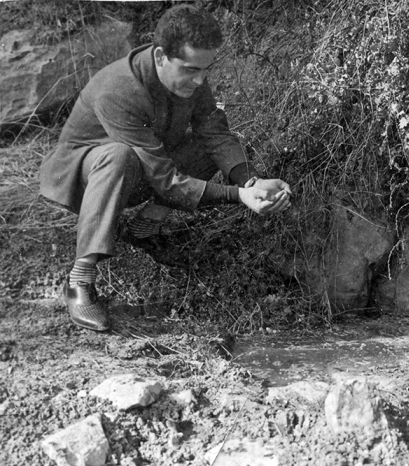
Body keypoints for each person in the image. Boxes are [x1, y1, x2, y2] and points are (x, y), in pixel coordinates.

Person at [39, 5, 292, 332]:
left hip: (140, 169)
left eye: (205, 69)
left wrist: (250, 180)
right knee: (119, 154)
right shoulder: (118, 88)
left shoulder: (191, 75)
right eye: (190, 70)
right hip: (85, 179)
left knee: (209, 143)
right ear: (160, 57)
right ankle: (80, 280)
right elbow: (163, 177)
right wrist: (238, 195)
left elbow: (214, 131)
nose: (200, 79)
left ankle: (144, 227)